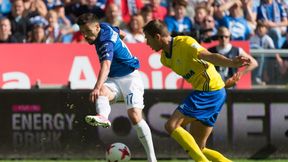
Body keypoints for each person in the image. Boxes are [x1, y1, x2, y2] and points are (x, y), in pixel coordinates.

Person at [143, 19, 250, 162]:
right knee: (199, 148)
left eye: (147, 38)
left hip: (209, 91)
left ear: (157, 37)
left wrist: (231, 63)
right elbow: (200, 69)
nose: (146, 43)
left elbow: (209, 57)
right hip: (215, 90)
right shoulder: (164, 59)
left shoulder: (185, 43)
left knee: (171, 125)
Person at [76, 13, 157, 162]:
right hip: (114, 80)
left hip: (130, 78)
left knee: (135, 116)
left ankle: (152, 159)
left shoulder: (105, 41)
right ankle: (103, 118)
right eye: (82, 32)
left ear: (96, 27)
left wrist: (95, 87)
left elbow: (105, 66)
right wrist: (121, 42)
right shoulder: (106, 27)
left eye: (88, 31)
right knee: (102, 92)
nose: (85, 36)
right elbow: (121, 32)